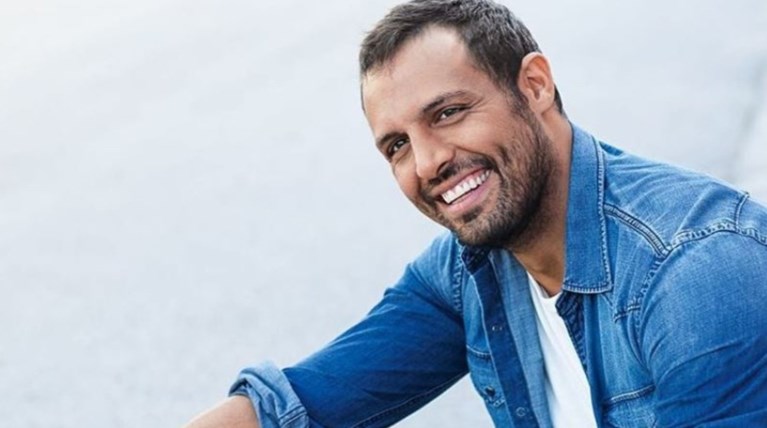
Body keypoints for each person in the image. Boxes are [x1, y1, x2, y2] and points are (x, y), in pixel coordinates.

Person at [185, 0, 767, 426]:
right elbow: (299, 406)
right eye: (397, 145)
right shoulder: (469, 270)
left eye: (447, 113)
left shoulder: (695, 272)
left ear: (534, 85)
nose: (428, 162)